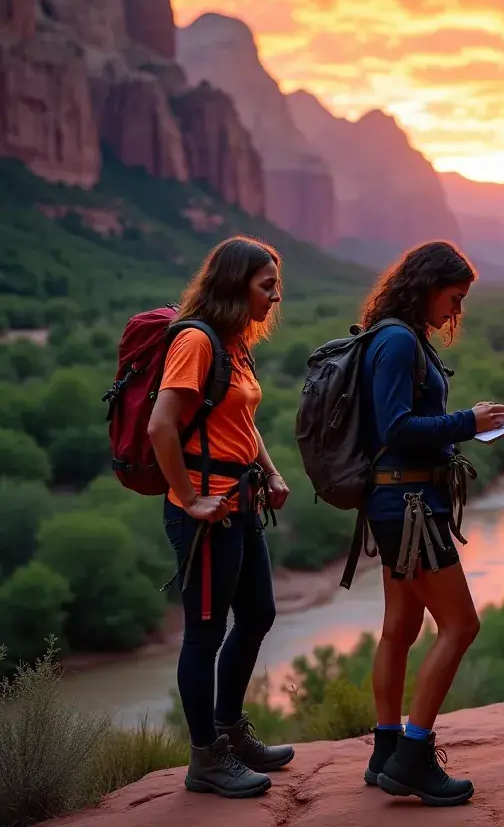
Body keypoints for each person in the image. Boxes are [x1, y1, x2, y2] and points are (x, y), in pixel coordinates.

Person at [358, 241, 504, 807]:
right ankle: (414, 757)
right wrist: (468, 421)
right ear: (428, 285)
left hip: (396, 504)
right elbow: (395, 428)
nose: (455, 311)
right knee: (462, 626)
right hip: (411, 508)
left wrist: (457, 422)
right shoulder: (399, 340)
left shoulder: (394, 335)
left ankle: (385, 749)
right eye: (453, 297)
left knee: (400, 625)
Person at [148, 236, 294, 799]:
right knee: (204, 636)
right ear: (235, 284)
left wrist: (273, 473)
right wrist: (188, 498)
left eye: (275, 285)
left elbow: (242, 424)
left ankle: (231, 731)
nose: (275, 297)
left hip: (240, 501)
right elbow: (162, 426)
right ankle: (205, 759)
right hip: (207, 513)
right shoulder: (196, 341)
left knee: (258, 613)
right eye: (266, 286)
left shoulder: (235, 345)